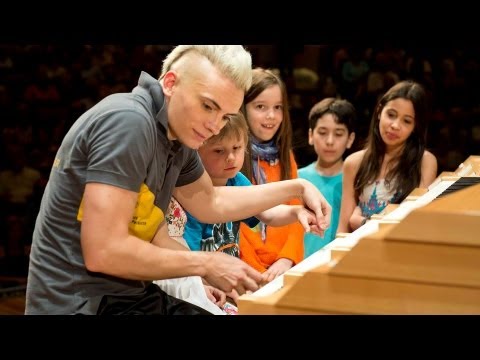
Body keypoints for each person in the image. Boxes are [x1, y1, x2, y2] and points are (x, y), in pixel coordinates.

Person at [25, 45, 331, 315]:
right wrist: (204, 265)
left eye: (225, 116)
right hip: (78, 302)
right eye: (208, 106)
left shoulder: (178, 137)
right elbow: (104, 251)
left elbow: (211, 201)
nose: (214, 126)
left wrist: (297, 187)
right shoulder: (129, 122)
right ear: (170, 83)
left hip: (126, 295)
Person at [337, 80, 437, 234]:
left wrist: (363, 222)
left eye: (406, 121)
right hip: (359, 250)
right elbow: (343, 230)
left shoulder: (425, 161)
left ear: (415, 127)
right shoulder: (354, 162)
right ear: (379, 112)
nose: (395, 125)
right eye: (391, 115)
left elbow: (414, 222)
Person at [239, 68, 305, 284]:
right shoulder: (230, 154)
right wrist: (256, 272)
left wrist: (286, 260)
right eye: (261, 107)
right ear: (243, 108)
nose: (271, 116)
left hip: (282, 269)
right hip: (245, 271)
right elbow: (231, 221)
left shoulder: (286, 156)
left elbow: (297, 214)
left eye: (278, 107)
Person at [298, 98, 356, 258]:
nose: (330, 141)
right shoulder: (297, 179)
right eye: (322, 133)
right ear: (311, 135)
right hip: (299, 265)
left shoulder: (357, 181)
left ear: (350, 139)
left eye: (338, 134)